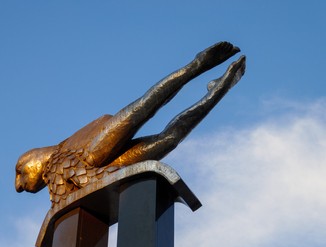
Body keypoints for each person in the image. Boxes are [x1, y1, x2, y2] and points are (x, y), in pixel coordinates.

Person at [15, 41, 246, 206]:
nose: (19, 185)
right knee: (170, 139)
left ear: (32, 156)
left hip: (91, 152)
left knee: (144, 107)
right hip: (106, 168)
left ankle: (198, 64)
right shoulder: (57, 182)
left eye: (20, 171)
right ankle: (221, 87)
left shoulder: (61, 154)